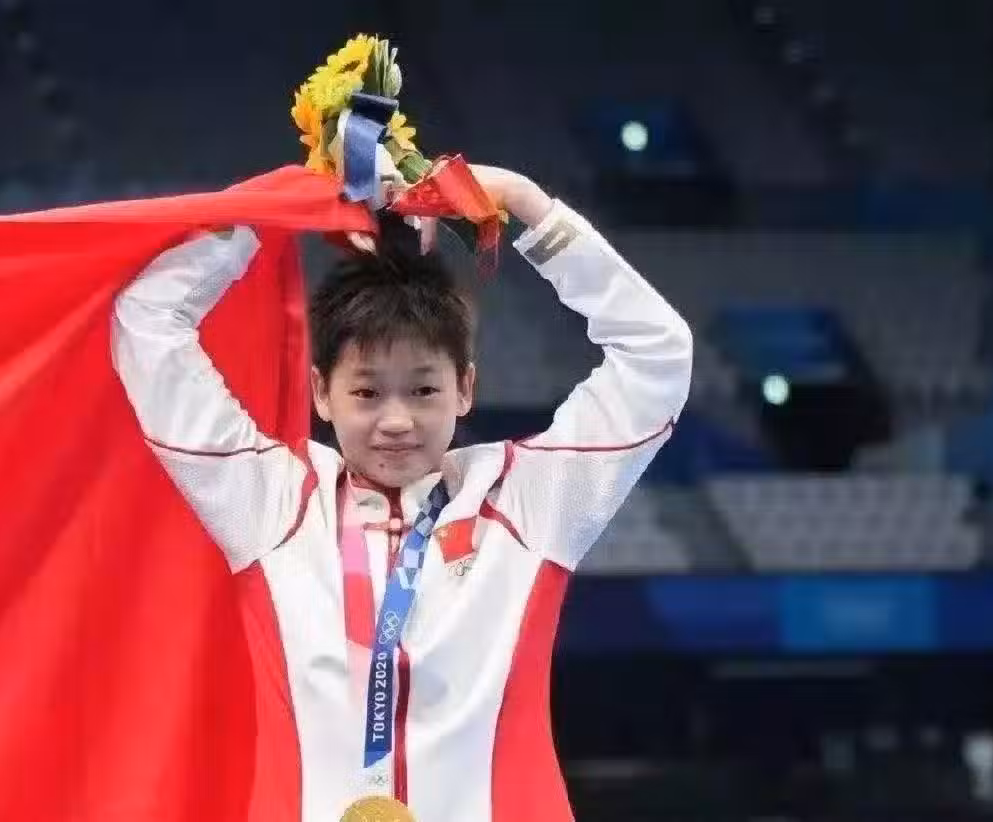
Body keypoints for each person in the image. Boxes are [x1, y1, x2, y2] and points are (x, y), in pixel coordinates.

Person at [110, 163, 693, 821]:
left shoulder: (526, 501)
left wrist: (526, 204)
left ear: (465, 388)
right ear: (321, 392)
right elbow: (147, 323)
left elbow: (658, 354)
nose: (396, 421)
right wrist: (269, 210)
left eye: (423, 390)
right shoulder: (272, 502)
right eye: (366, 391)